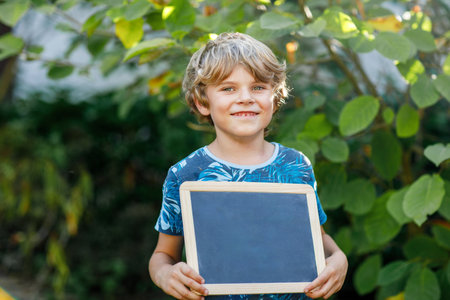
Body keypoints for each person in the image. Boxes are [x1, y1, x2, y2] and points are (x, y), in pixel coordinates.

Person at [149, 32, 348, 300]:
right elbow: (163, 255)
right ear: (202, 102)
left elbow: (317, 238)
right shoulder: (185, 174)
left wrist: (338, 259)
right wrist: (164, 275)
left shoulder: (296, 165)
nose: (245, 98)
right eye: (228, 88)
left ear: (274, 98)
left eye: (258, 87)